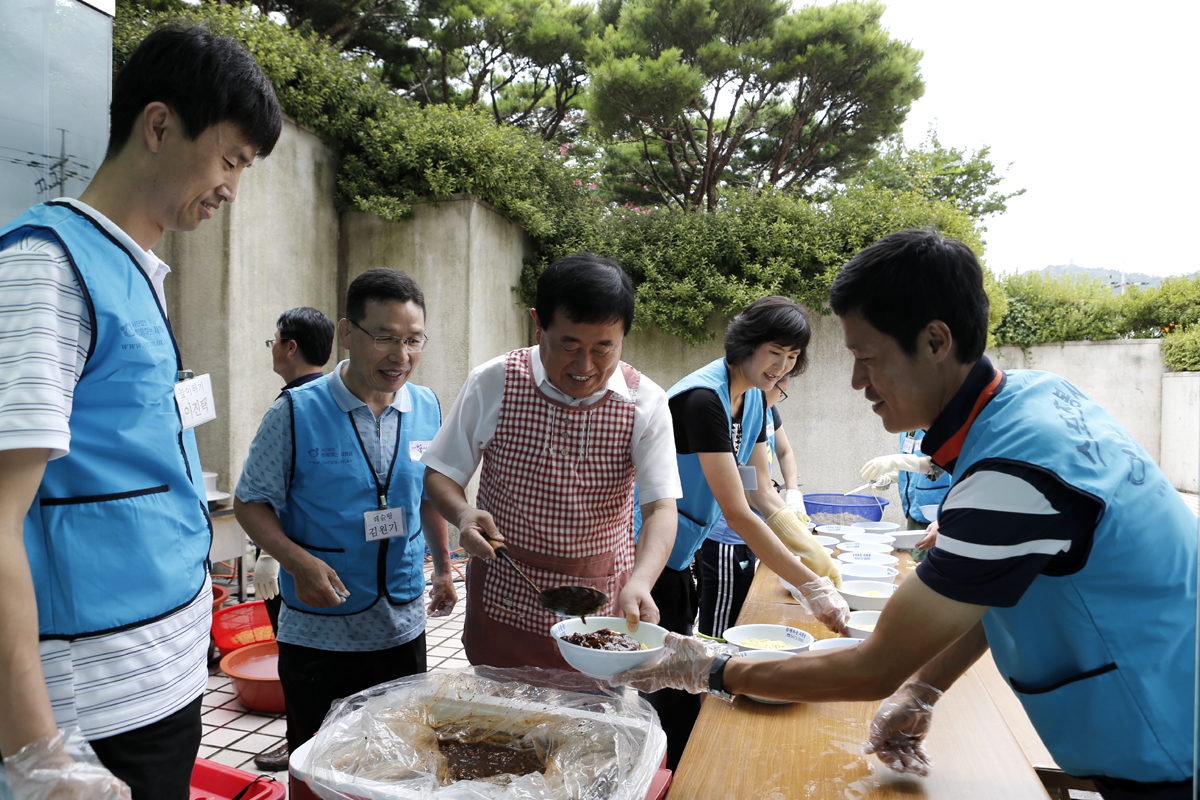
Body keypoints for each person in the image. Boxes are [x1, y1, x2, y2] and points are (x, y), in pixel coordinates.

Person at [613, 229, 1197, 800]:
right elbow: (995, 590)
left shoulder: (1012, 479)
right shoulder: (1039, 397)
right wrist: (926, 689)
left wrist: (711, 671)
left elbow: (874, 668)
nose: (856, 381)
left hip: (1164, 732)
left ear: (936, 341)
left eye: (867, 358)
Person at [0, 25, 280, 800]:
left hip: (156, 686)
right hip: (88, 713)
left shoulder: (132, 270)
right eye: (229, 159)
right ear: (158, 126)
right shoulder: (45, 269)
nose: (232, 187)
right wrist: (34, 749)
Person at [233, 268, 456, 758]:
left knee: (399, 761)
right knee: (321, 765)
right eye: (385, 338)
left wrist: (442, 569)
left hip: (401, 626)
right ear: (348, 332)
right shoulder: (295, 412)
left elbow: (427, 495)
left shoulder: (427, 406)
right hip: (321, 634)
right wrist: (295, 561)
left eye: (413, 340)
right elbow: (249, 502)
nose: (401, 356)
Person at [421, 253, 680, 670]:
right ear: (538, 323)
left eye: (603, 348)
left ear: (624, 337)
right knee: (499, 722)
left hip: (599, 595)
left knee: (588, 721)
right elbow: (440, 474)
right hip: (506, 588)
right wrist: (464, 514)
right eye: (569, 345)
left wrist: (642, 582)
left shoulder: (645, 401)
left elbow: (661, 508)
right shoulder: (495, 381)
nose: (585, 366)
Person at [646, 297, 850, 770]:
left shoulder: (755, 397)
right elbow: (738, 513)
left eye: (793, 357)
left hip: (682, 549)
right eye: (774, 352)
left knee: (677, 676)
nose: (782, 367)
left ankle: (679, 768)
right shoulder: (703, 400)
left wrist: (810, 554)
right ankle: (676, 776)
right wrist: (808, 584)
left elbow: (764, 494)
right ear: (746, 344)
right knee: (668, 683)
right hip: (647, 552)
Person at [250, 306, 333, 771]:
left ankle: (301, 744)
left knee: (301, 662)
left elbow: (273, 496)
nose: (273, 348)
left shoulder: (293, 409)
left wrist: (266, 555)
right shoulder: (331, 402)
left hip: (300, 563)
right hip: (337, 564)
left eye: (274, 340)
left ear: (291, 346)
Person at [698, 372, 805, 638]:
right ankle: (713, 671)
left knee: (743, 605)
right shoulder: (732, 417)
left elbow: (785, 451)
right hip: (726, 536)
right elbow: (745, 491)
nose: (779, 397)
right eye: (780, 391)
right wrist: (781, 514)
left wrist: (792, 491)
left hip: (755, 526)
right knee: (721, 620)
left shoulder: (767, 412)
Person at [860, 430, 951, 532]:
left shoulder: (940, 425)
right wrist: (891, 477)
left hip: (938, 512)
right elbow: (911, 466)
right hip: (913, 509)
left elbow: (939, 464)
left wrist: (895, 461)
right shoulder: (906, 431)